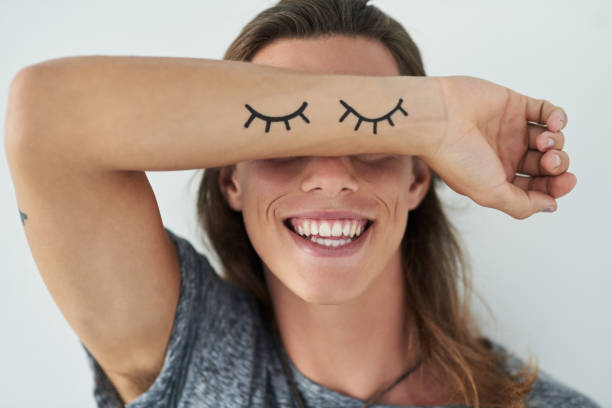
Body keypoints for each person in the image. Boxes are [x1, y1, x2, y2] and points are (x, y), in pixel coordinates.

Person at [4, 0, 600, 407]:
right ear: (230, 180)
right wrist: (431, 113)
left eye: (375, 141)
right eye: (282, 138)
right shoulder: (199, 359)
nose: (331, 177)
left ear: (420, 177)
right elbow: (45, 114)